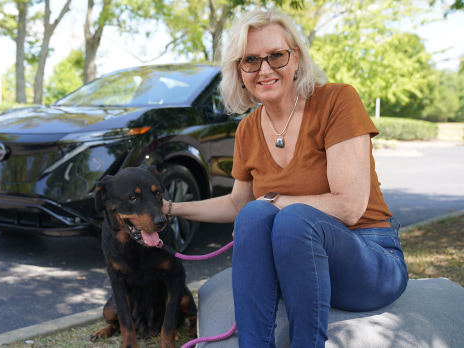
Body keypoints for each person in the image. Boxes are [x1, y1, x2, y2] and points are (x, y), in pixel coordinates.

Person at [161, 8, 408, 348]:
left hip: (370, 258)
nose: (264, 69)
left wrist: (277, 201)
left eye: (276, 55)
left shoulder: (337, 101)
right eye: (251, 60)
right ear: (239, 70)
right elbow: (238, 204)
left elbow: (350, 207)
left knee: (292, 219)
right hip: (298, 265)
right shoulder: (247, 128)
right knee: (255, 214)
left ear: (296, 58)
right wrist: (171, 209)